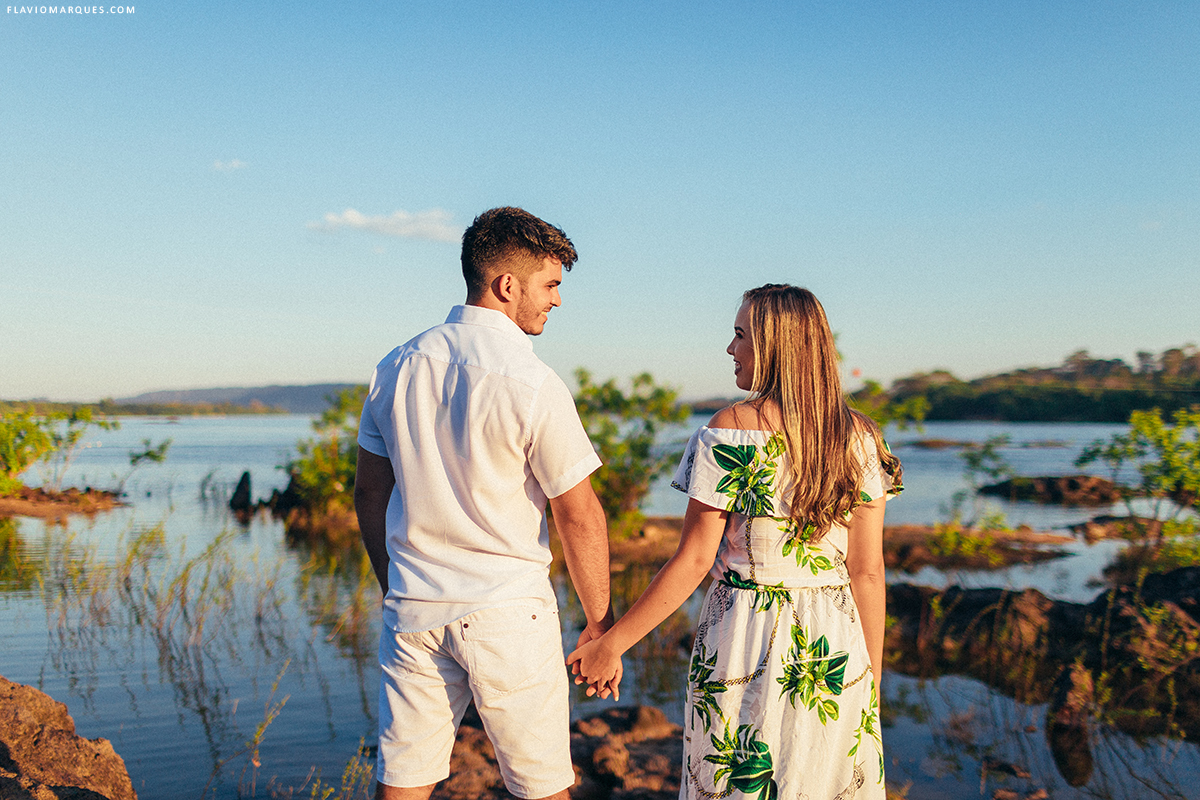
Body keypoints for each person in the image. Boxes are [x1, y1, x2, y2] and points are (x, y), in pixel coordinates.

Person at [568, 283, 903, 799]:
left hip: (745, 635)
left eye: (741, 334)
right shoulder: (861, 437)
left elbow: (695, 559)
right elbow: (868, 572)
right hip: (836, 648)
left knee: (736, 783)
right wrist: (870, 682)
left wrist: (611, 644)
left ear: (775, 345)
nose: (730, 349)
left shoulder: (732, 430)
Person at [355, 206, 616, 800]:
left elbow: (371, 491)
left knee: (403, 783)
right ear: (506, 285)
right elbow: (578, 513)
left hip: (414, 608)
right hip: (506, 614)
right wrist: (600, 626)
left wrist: (390, 582)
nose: (556, 300)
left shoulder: (396, 366)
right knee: (542, 787)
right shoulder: (533, 382)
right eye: (550, 285)